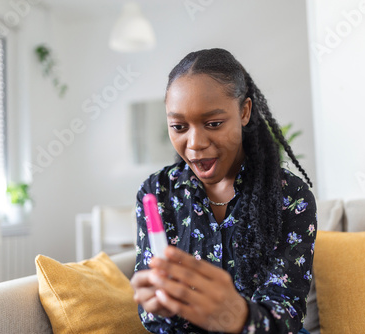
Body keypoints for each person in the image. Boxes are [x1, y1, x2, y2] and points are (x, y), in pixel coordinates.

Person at [130, 48, 316, 334]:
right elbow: (151, 314)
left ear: (244, 111)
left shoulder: (290, 196)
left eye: (213, 124)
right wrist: (159, 306)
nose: (195, 143)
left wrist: (236, 315)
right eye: (179, 126)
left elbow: (287, 316)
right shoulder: (157, 194)